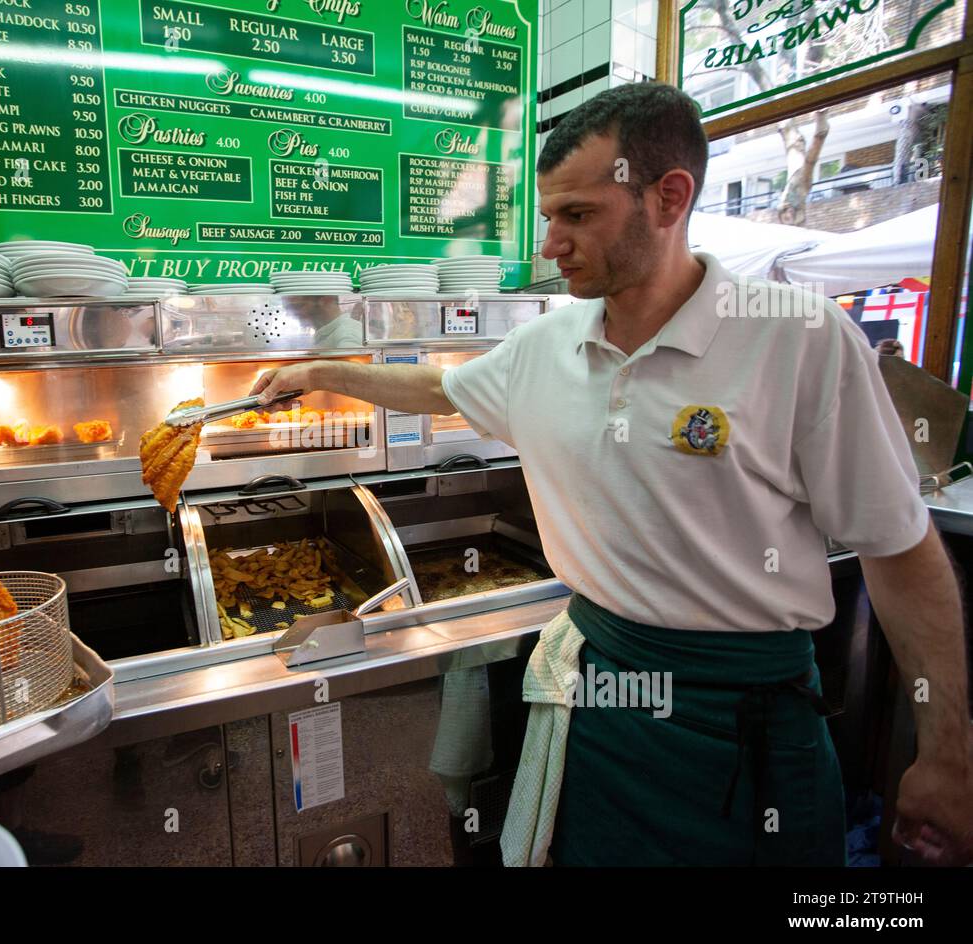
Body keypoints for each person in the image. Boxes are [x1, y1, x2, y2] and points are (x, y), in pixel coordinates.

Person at [252, 82, 973, 865]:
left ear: (669, 198)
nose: (552, 243)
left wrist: (948, 754)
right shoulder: (548, 344)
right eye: (550, 215)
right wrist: (325, 371)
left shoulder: (799, 341)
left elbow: (899, 549)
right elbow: (442, 388)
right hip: (601, 703)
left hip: (745, 719)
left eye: (579, 216)